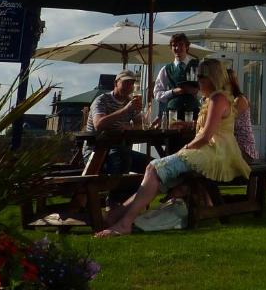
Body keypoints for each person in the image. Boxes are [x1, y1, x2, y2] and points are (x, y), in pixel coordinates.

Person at [95, 58, 250, 237]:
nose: (197, 80)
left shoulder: (217, 98)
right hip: (214, 151)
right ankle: (115, 216)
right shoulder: (216, 97)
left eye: (201, 76)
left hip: (214, 153)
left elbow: (206, 136)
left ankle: (124, 223)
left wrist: (185, 148)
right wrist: (188, 125)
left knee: (154, 168)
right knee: (155, 171)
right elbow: (211, 127)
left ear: (212, 77)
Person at [84, 70, 148, 204]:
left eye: (131, 84)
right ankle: (114, 204)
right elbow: (99, 124)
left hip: (119, 150)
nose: (129, 87)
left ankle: (122, 204)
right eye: (125, 83)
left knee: (151, 166)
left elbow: (139, 125)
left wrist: (130, 127)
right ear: (116, 83)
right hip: (96, 152)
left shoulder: (130, 102)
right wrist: (125, 111)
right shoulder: (101, 100)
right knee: (123, 157)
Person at [153, 33, 201, 122]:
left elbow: (209, 89)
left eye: (181, 45)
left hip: (193, 112)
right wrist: (173, 92)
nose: (177, 48)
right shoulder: (166, 69)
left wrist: (197, 91)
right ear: (171, 48)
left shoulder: (198, 66)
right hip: (173, 114)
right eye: (174, 45)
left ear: (187, 47)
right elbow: (157, 94)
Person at [227, 67, 258, 162]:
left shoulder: (239, 100)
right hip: (233, 145)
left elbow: (227, 123)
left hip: (244, 148)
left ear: (230, 83)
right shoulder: (229, 99)